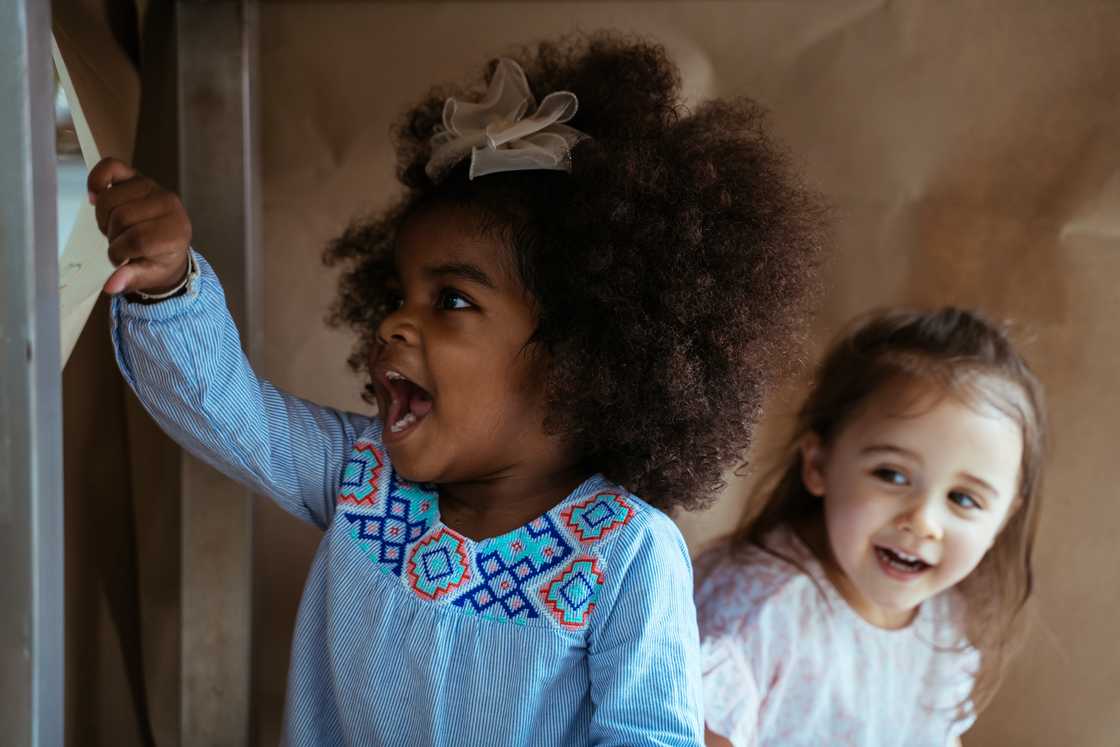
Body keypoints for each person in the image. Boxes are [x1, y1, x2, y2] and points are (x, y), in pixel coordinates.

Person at [90, 33, 824, 746]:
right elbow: (223, 407)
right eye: (398, 295)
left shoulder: (627, 555)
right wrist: (168, 285)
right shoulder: (365, 478)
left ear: (580, 355)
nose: (393, 323)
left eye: (451, 300)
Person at [696, 307, 1047, 747]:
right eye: (892, 475)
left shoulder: (943, 621)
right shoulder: (761, 612)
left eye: (963, 499)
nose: (923, 522)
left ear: (1003, 519)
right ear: (819, 465)